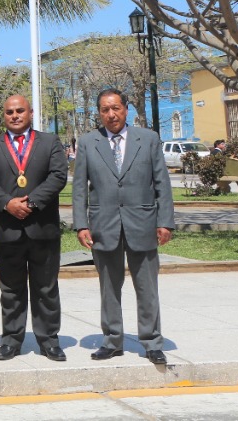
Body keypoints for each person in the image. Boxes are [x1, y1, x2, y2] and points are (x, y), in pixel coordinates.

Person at [72, 88, 175, 365]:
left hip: (143, 223)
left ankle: (152, 342)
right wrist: (81, 224)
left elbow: (161, 183)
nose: (111, 114)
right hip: (102, 226)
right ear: (99, 113)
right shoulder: (88, 142)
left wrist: (165, 221)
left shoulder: (148, 139)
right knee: (109, 287)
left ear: (125, 109)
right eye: (105, 110)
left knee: (147, 288)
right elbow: (80, 186)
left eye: (115, 108)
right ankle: (112, 340)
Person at [0, 95, 68, 362]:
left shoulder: (50, 142)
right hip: (8, 229)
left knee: (46, 288)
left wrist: (33, 202)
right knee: (11, 289)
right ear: (3, 116)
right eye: (9, 112)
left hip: (43, 227)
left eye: (20, 111)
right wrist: (7, 203)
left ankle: (49, 340)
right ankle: (11, 340)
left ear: (30, 112)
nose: (15, 115)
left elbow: (58, 175)